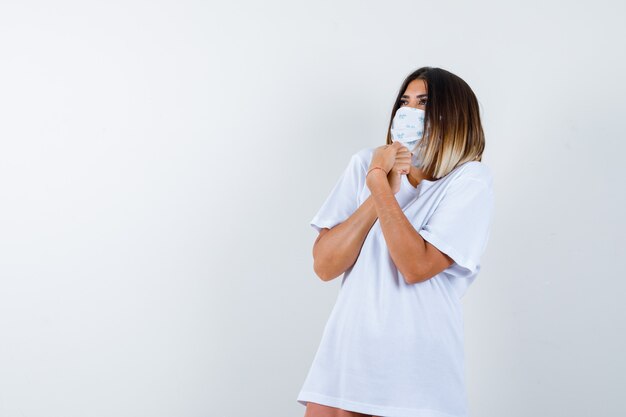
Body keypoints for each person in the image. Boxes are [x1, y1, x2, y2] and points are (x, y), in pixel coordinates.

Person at [296, 66, 495, 417]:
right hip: (346, 351)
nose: (409, 111)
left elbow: (416, 266)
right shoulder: (366, 163)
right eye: (405, 101)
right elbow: (325, 265)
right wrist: (378, 181)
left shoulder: (469, 180)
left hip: (415, 364)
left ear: (454, 114)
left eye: (424, 102)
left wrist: (378, 186)